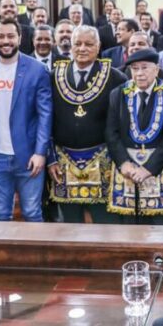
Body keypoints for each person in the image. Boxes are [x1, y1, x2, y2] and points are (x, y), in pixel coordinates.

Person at [48, 26, 126, 223]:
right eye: (77, 44)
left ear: (98, 46)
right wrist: (50, 158)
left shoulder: (116, 77)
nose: (82, 48)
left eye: (88, 44)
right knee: (69, 224)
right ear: (69, 46)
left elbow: (122, 124)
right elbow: (45, 120)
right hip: (63, 161)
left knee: (106, 223)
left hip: (103, 161)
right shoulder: (53, 76)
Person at [0, 18, 52, 221]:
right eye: (0, 36)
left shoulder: (38, 70)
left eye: (11, 36)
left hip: (29, 158)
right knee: (1, 215)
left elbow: (45, 115)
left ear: (20, 38)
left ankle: (37, 254)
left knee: (32, 213)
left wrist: (40, 153)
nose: (6, 40)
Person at [105, 49, 163, 224]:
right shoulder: (118, 93)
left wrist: (149, 168)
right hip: (127, 169)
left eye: (144, 68)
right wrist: (123, 163)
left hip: (159, 168)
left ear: (157, 68)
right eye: (134, 68)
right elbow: (111, 132)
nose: (139, 73)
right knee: (129, 228)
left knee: (161, 230)